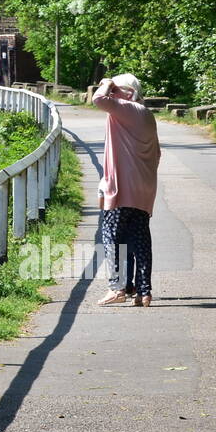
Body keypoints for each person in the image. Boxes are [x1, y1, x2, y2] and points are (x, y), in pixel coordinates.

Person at [93, 74, 161, 307]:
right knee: (140, 240)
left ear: (128, 92)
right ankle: (144, 292)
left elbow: (98, 100)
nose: (112, 93)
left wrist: (106, 82)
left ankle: (117, 288)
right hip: (144, 189)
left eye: (116, 90)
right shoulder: (146, 114)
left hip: (122, 188)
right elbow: (157, 154)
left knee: (112, 237)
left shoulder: (127, 108)